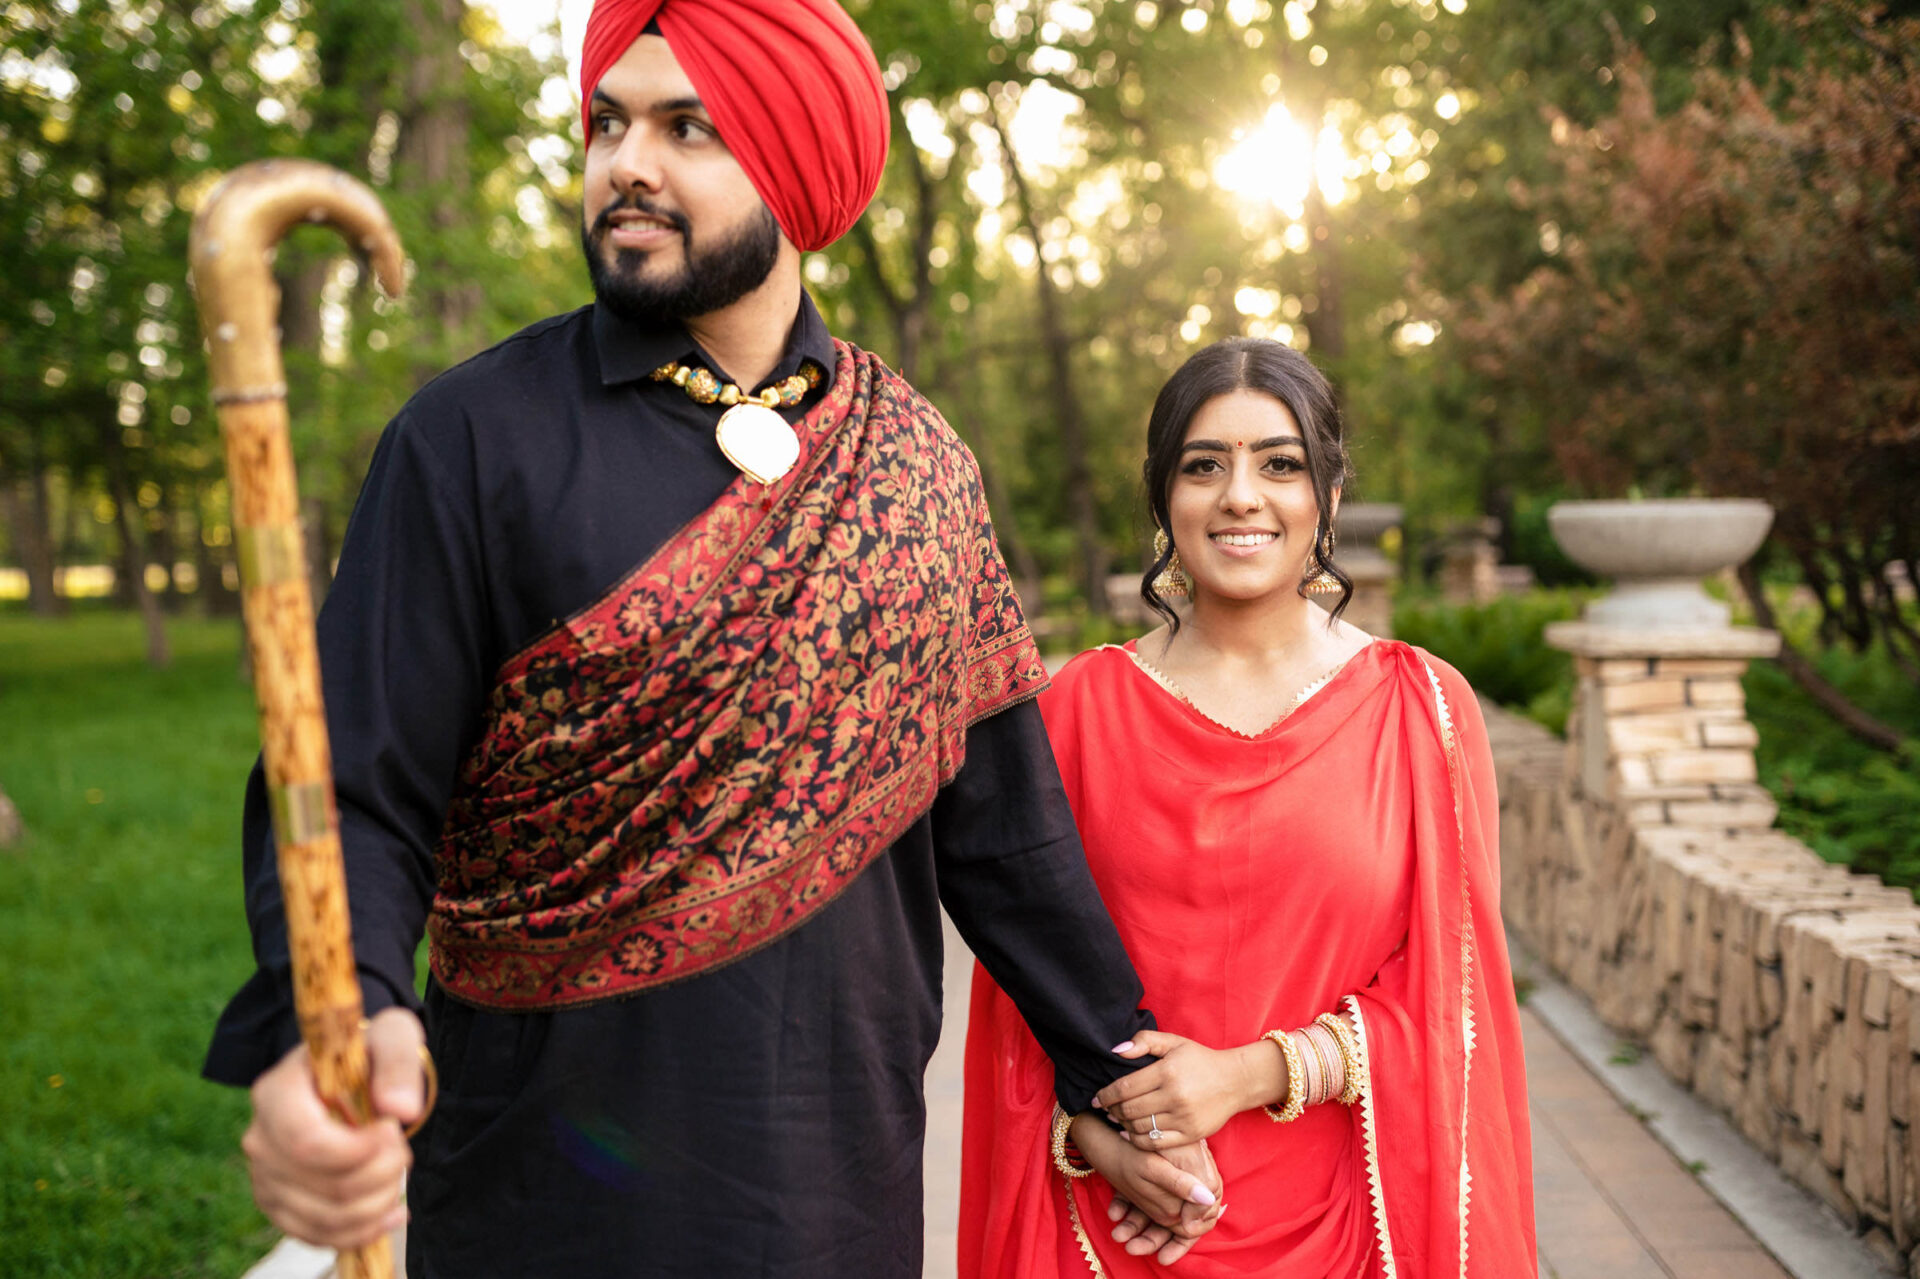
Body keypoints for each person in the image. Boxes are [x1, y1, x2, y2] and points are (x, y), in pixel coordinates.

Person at [201, 3, 1224, 1275]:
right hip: (537, 1200)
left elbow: (1004, 830)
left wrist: (1113, 1082)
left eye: (689, 127)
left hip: (836, 1186)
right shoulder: (469, 438)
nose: (627, 163)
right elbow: (354, 789)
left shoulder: (914, 463)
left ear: (796, 164)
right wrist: (341, 1014)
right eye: (607, 122)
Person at [960, 337, 1537, 1276]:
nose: (1240, 495)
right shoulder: (1076, 714)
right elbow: (1021, 992)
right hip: (1116, 1219)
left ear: (1330, 497)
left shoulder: (1421, 711)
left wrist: (1246, 1075)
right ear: (1162, 498)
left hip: (1355, 1221)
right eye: (1203, 465)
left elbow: (1453, 1003)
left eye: (1280, 463)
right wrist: (1100, 1139)